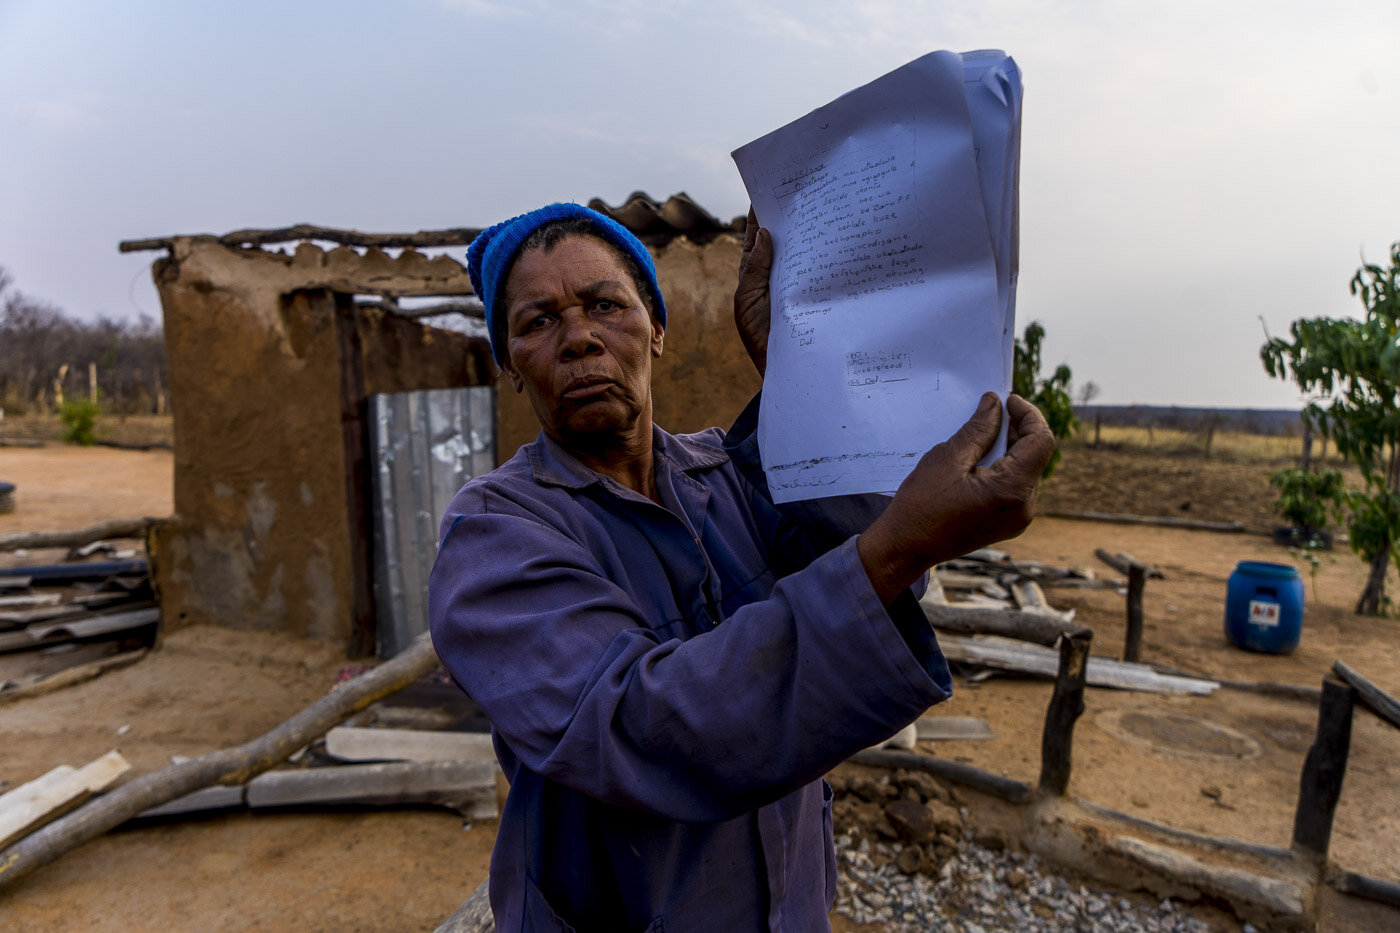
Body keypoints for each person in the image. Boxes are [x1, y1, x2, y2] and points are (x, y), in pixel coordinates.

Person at [429, 202, 1055, 932]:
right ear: (509, 364)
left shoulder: (731, 470)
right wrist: (900, 546)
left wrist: (795, 365)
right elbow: (638, 723)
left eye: (605, 304)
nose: (580, 339)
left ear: (657, 328)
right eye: (538, 322)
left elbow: (871, 569)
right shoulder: (493, 535)